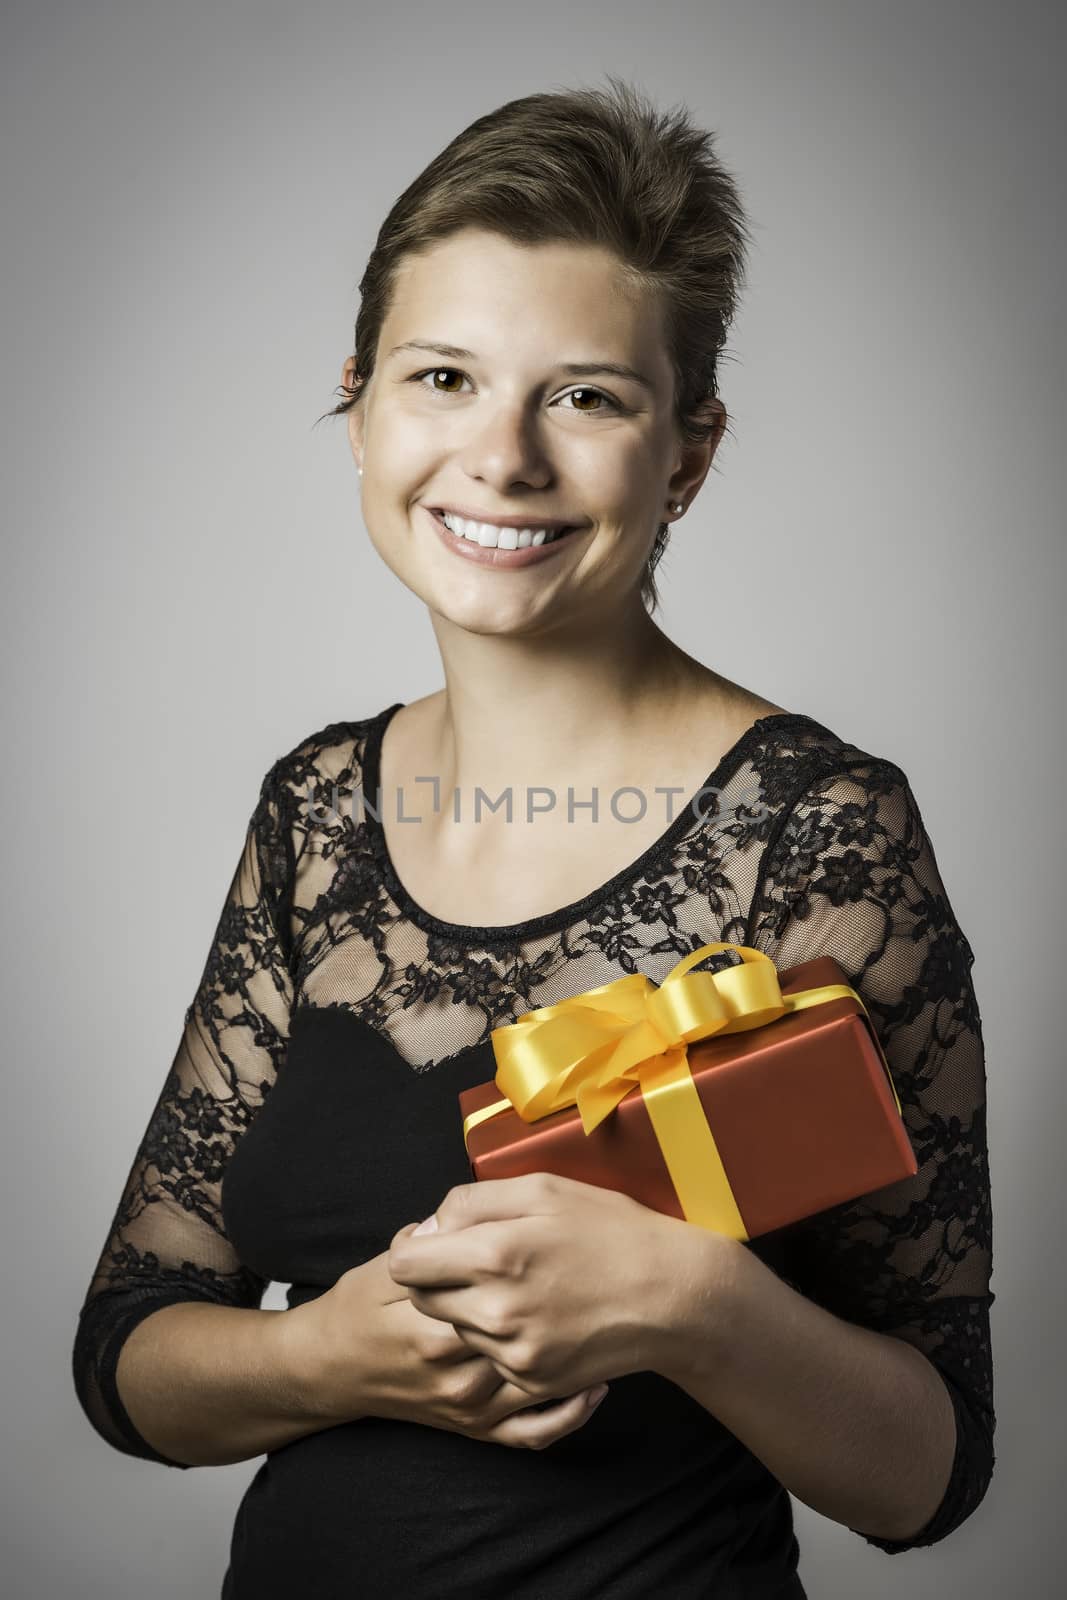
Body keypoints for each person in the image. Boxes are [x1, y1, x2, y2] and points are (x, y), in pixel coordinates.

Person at [71, 78, 995, 1599]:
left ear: (687, 454)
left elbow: (929, 1474)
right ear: (359, 400)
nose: (501, 457)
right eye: (442, 378)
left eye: (586, 395)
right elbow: (128, 1350)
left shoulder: (823, 830)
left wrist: (696, 1307)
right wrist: (329, 1356)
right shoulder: (315, 810)